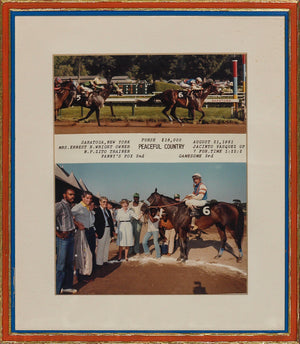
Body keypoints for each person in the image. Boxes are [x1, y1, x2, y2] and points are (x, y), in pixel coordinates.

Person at [55, 188, 77, 294]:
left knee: (69, 264)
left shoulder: (69, 206)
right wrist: (58, 233)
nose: (72, 196)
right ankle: (57, 290)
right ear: (65, 195)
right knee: (61, 266)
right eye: (70, 194)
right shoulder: (59, 205)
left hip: (71, 237)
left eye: (73, 195)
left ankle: (67, 286)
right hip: (63, 239)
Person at [72, 191, 96, 276]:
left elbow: (91, 220)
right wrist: (77, 224)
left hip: (90, 231)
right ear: (83, 198)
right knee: (82, 254)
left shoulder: (88, 207)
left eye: (90, 198)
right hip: (83, 232)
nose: (89, 200)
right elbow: (69, 216)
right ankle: (81, 275)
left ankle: (88, 272)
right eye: (87, 198)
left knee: (91, 252)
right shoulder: (78, 207)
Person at [94, 197, 115, 266]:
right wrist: (95, 231)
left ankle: (105, 260)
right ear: (100, 202)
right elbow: (94, 222)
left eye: (106, 202)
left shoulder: (108, 211)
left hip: (108, 229)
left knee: (106, 246)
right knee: (100, 247)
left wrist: (113, 230)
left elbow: (111, 222)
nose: (105, 203)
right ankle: (99, 263)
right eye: (103, 202)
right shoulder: (96, 210)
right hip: (101, 230)